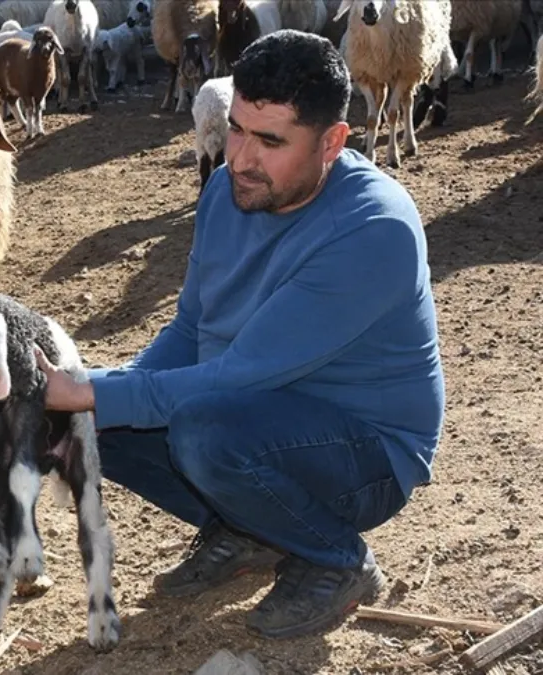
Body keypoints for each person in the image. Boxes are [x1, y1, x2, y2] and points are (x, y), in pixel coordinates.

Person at [33, 30, 445, 640]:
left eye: (270, 140)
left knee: (201, 431)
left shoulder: (373, 228)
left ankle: (336, 559)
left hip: (366, 451)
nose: (241, 158)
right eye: (236, 129)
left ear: (332, 142)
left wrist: (96, 390)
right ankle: (252, 527)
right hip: (258, 414)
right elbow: (194, 329)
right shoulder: (231, 192)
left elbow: (240, 372)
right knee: (90, 424)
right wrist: (96, 396)